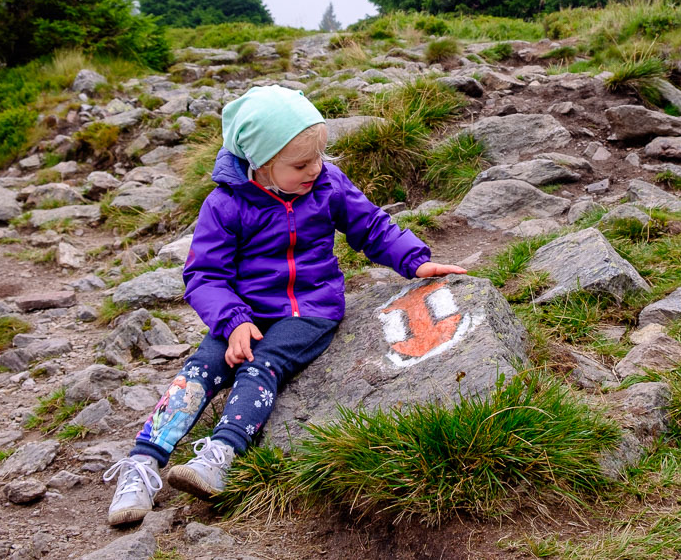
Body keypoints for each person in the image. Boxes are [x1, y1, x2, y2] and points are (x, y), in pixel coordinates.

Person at [103, 85, 466, 525]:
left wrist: (415, 261)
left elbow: (371, 225)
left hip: (310, 309)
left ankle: (219, 454)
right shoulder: (225, 204)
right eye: (301, 164)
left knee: (263, 364)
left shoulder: (328, 184)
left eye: (319, 157)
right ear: (260, 163)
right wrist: (233, 321)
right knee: (201, 369)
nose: (316, 168)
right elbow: (204, 275)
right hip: (244, 311)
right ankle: (142, 464)